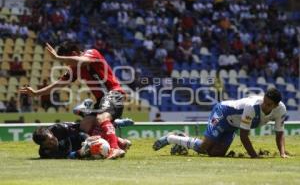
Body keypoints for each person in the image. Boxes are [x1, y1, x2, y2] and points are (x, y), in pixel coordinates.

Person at [20, 41, 127, 159]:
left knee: (102, 118)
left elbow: (82, 60)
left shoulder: (92, 53)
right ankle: (119, 142)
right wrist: (36, 93)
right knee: (84, 125)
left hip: (114, 92)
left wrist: (58, 57)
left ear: (75, 53)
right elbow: (58, 85)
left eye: (67, 60)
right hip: (101, 99)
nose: (67, 64)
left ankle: (115, 148)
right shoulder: (75, 69)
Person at [153, 88, 289, 158]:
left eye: (269, 104)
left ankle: (183, 139)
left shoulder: (281, 110)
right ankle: (171, 138)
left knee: (216, 154)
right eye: (264, 101)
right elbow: (244, 136)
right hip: (223, 113)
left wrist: (282, 153)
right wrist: (254, 156)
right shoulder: (252, 107)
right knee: (203, 147)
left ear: (276, 106)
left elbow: (279, 133)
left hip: (233, 124)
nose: (264, 105)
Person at [33, 122, 131, 159]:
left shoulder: (59, 128)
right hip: (73, 147)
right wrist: (79, 153)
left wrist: (88, 139)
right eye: (49, 143)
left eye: (52, 138)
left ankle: (117, 137)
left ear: (52, 134)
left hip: (79, 133)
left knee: (92, 129)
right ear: (43, 146)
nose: (53, 142)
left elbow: (81, 130)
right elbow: (67, 156)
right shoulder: (45, 153)